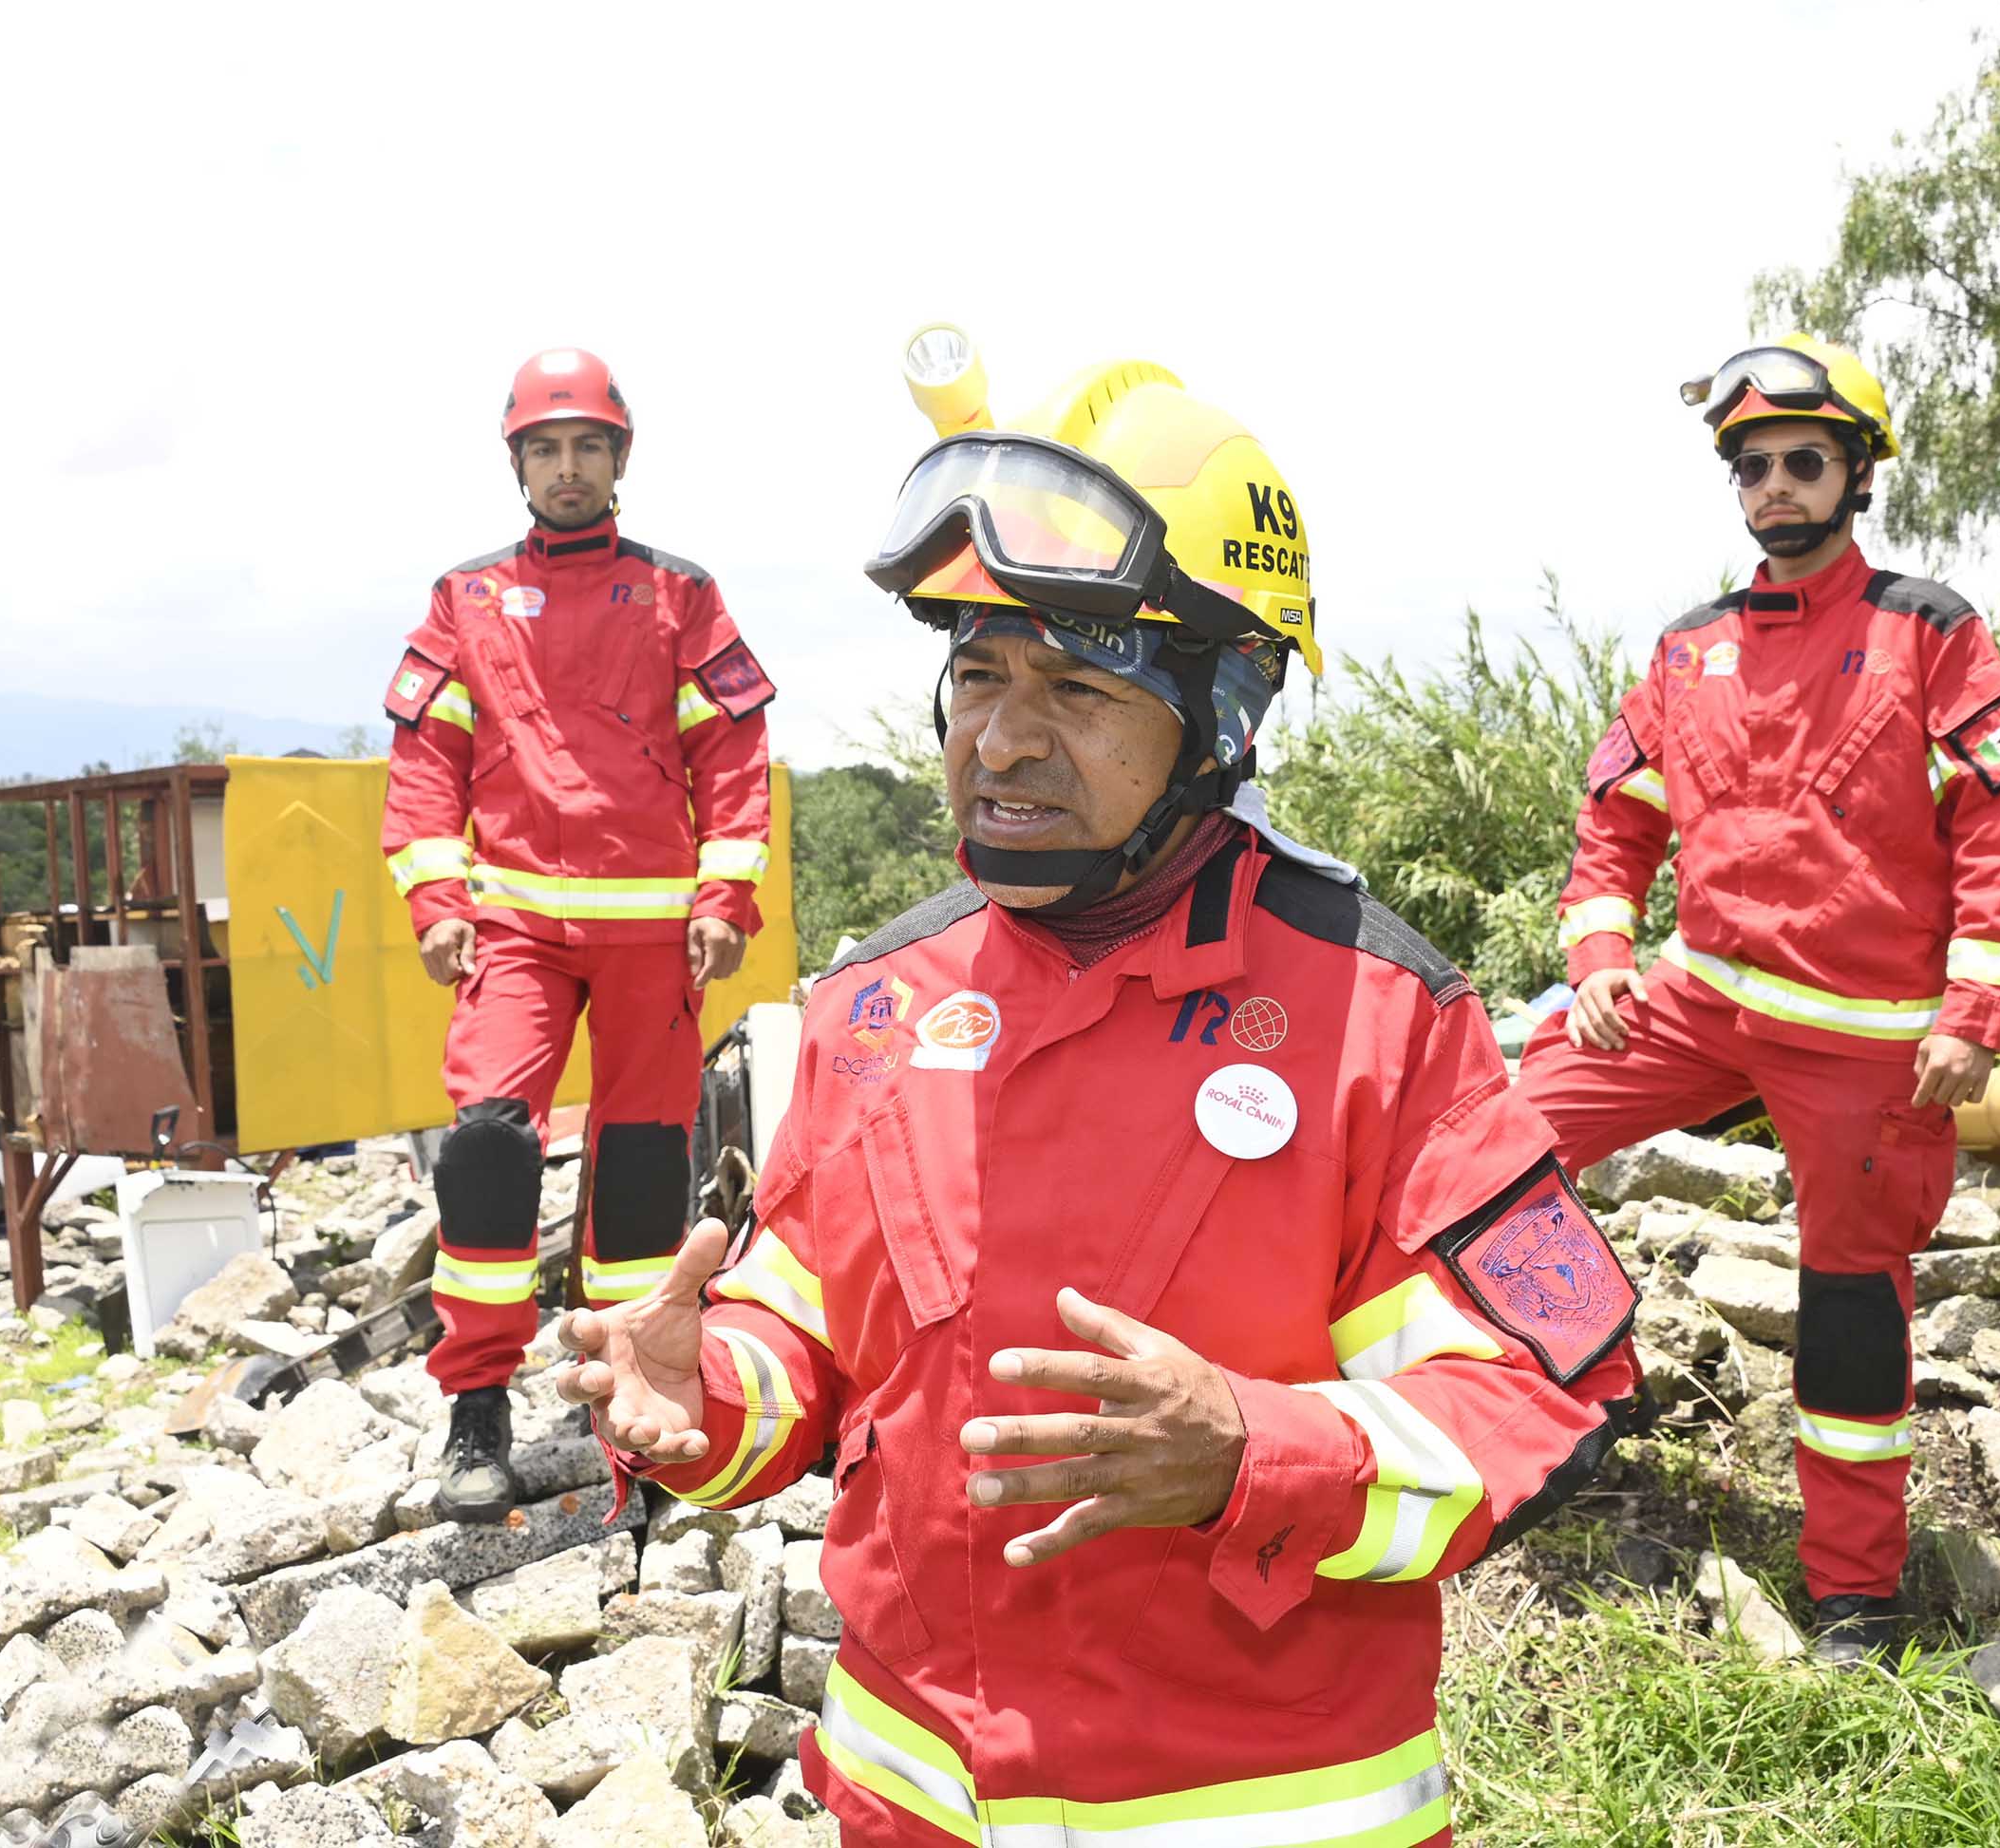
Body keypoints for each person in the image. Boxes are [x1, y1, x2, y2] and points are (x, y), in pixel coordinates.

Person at [554, 334, 1643, 1845]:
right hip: (906, 1803)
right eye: (978, 675)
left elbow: (1536, 1396)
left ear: (1225, 710)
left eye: (1073, 685)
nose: (1000, 738)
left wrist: (1255, 1452)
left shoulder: (1377, 1017)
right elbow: (807, 1331)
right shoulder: (877, 1004)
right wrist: (713, 1396)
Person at [1519, 336, 2000, 1665]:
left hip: (1867, 1042)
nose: (1773, 486)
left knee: (1850, 1303)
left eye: (1801, 462)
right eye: (1751, 468)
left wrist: (1974, 1009)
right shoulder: (1687, 646)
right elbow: (1613, 817)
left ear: (1856, 474)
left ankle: (1854, 1590)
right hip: (1695, 1000)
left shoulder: (1926, 632)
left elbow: (1999, 824)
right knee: (1485, 1146)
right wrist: (1598, 959)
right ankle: (1573, 1387)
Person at [378, 347, 776, 1523]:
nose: (566, 466)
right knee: (490, 1148)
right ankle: (477, 1406)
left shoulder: (679, 594)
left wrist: (724, 899)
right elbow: (424, 766)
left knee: (647, 1171)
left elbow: (734, 760)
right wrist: (436, 902)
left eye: (586, 446)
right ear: (518, 462)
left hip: (653, 930)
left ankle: (634, 1405)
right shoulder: (465, 598)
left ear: (619, 458)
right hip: (511, 927)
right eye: (544, 447)